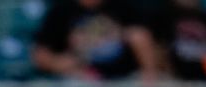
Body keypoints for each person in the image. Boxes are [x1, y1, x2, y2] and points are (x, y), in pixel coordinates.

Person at [31, 0, 159, 80]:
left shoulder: (124, 6)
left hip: (123, 78)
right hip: (76, 79)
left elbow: (142, 37)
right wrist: (59, 64)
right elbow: (40, 55)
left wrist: (149, 75)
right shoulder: (61, 10)